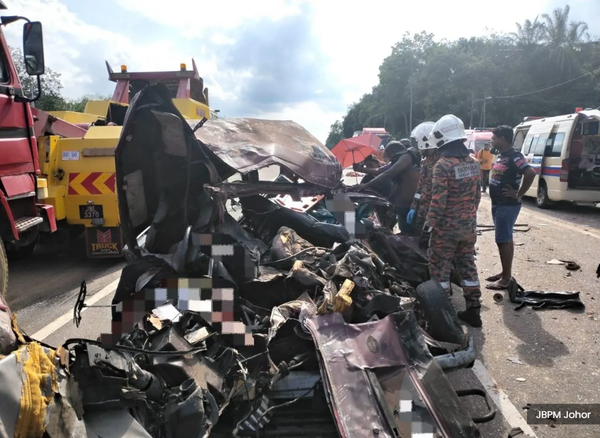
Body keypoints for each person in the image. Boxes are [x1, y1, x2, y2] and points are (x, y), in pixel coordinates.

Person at [423, 114, 483, 327]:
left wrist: (428, 226)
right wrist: (467, 217)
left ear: (441, 138)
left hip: (446, 231)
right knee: (467, 266)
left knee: (440, 270)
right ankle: (474, 310)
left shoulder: (442, 165)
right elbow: (477, 197)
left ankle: (444, 316)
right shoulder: (474, 163)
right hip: (468, 228)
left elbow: (438, 202)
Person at [485, 125, 536, 290]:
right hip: (498, 204)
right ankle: (505, 272)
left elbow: (530, 173)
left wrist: (519, 194)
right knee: (506, 239)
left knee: (502, 240)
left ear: (502, 139)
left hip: (507, 205)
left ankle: (505, 279)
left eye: (494, 138)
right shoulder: (502, 155)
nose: (491, 141)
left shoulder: (515, 156)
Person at [353, 139, 421, 235]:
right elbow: (394, 181)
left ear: (394, 151)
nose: (389, 160)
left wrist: (366, 185)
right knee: (405, 233)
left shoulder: (406, 157)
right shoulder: (400, 160)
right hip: (403, 205)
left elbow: (388, 173)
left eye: (389, 156)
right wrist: (361, 170)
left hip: (411, 205)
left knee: (411, 234)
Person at [406, 122, 437, 233]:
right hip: (423, 211)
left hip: (435, 214)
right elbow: (420, 186)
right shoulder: (425, 162)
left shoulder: (442, 163)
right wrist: (414, 206)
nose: (419, 148)